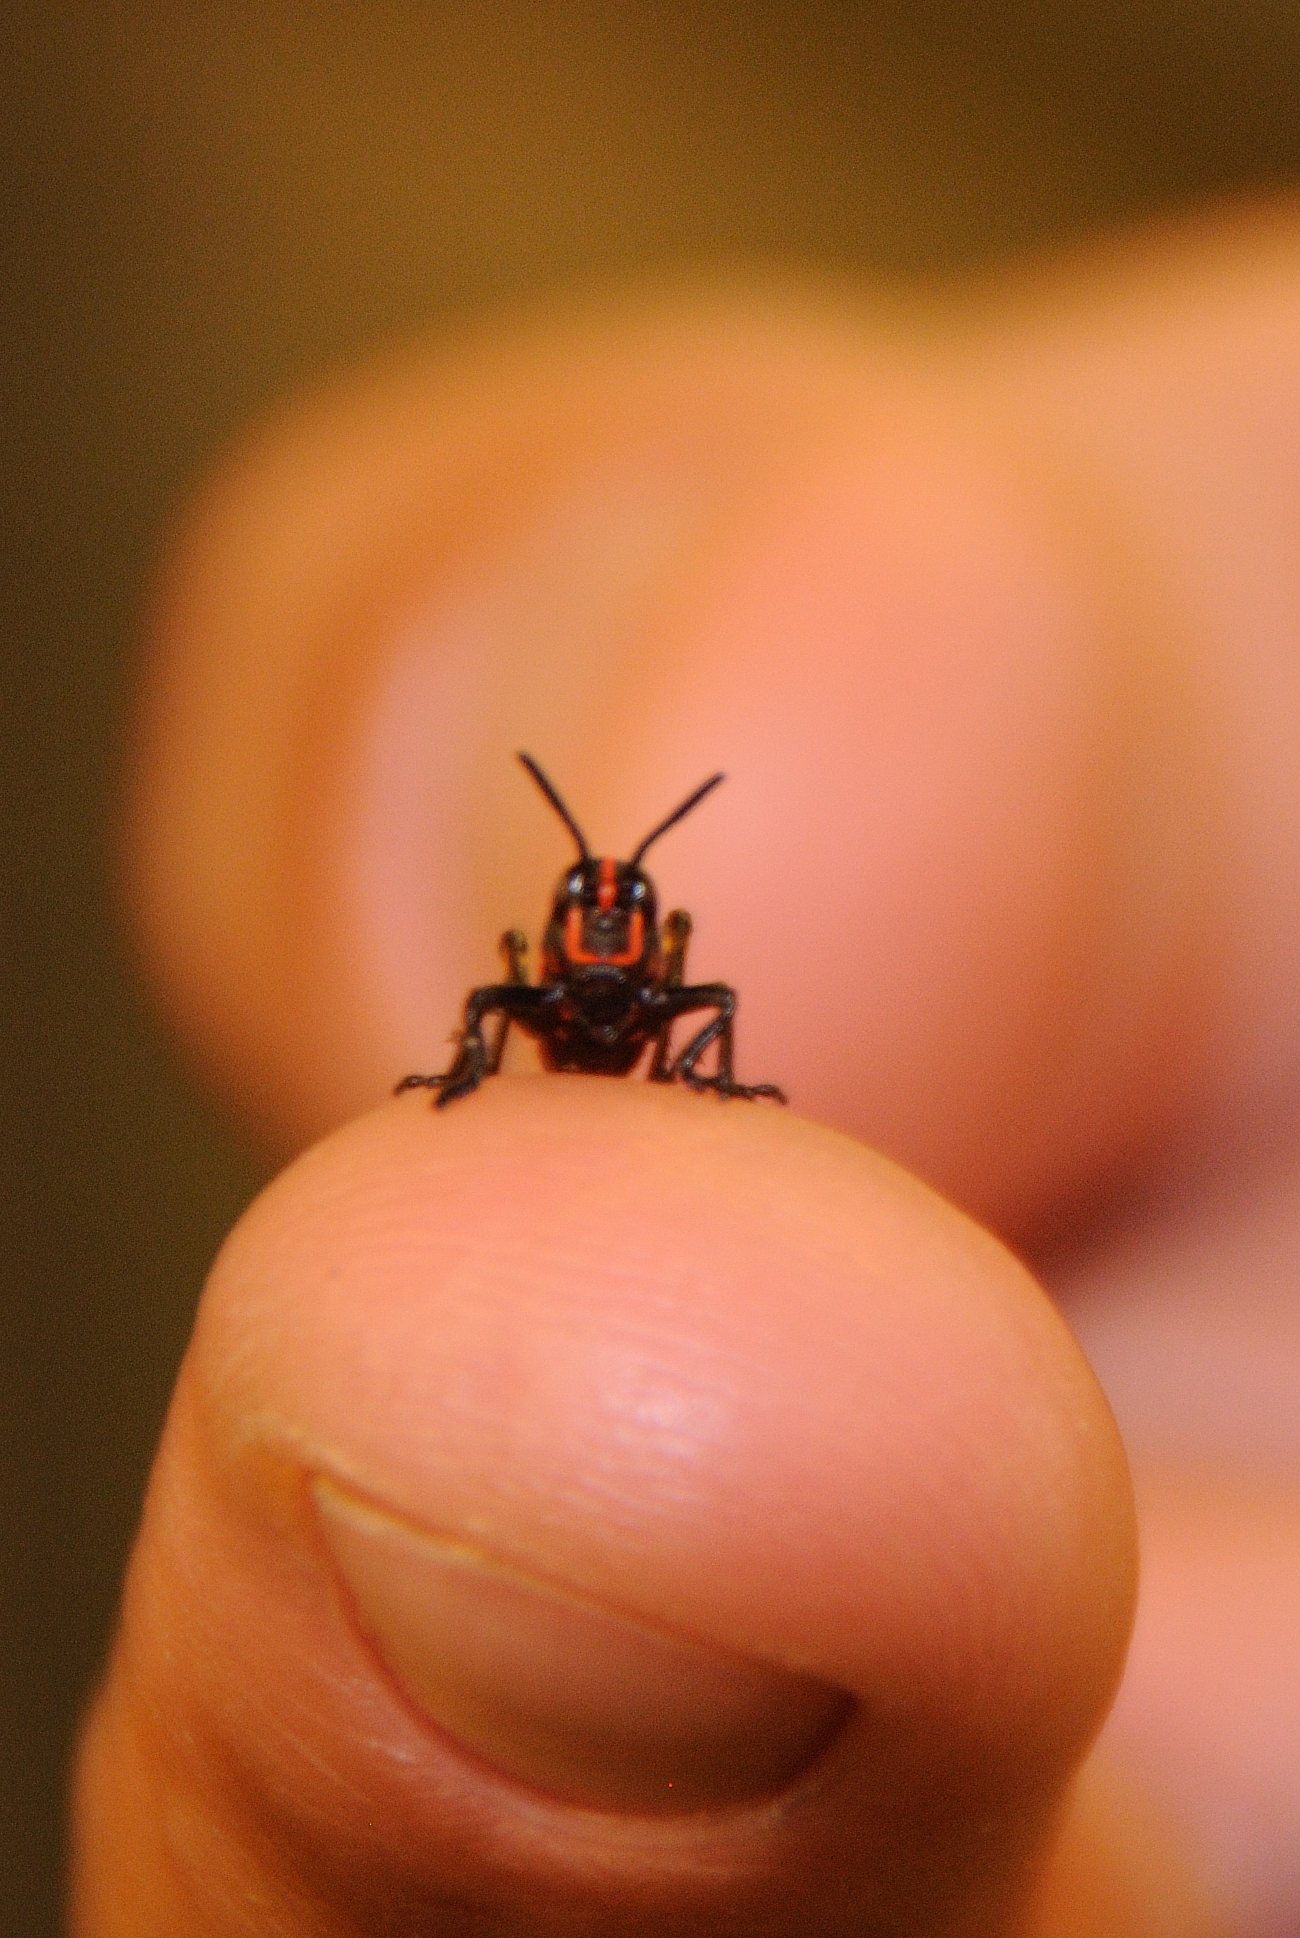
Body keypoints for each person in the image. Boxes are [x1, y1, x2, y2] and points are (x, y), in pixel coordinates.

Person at [71, 200, 1300, 1936]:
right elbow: (509, 992)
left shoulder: (667, 963)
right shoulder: (543, 963)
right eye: (593, 899)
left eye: (623, 902)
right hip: (556, 1107)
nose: (607, 913)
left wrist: (697, 1069)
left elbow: (686, 998)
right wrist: (471, 1063)